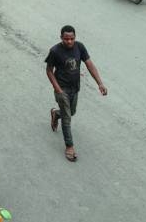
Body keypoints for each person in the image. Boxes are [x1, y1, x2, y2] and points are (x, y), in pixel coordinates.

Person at [46, 25, 107, 162]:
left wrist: (100, 83)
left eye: (72, 38)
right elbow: (49, 71)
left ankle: (56, 114)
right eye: (66, 39)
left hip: (75, 88)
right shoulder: (55, 51)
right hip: (62, 89)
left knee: (71, 112)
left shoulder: (80, 47)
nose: (69, 41)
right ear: (61, 37)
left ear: (75, 38)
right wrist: (58, 90)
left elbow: (90, 65)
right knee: (67, 119)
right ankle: (69, 146)